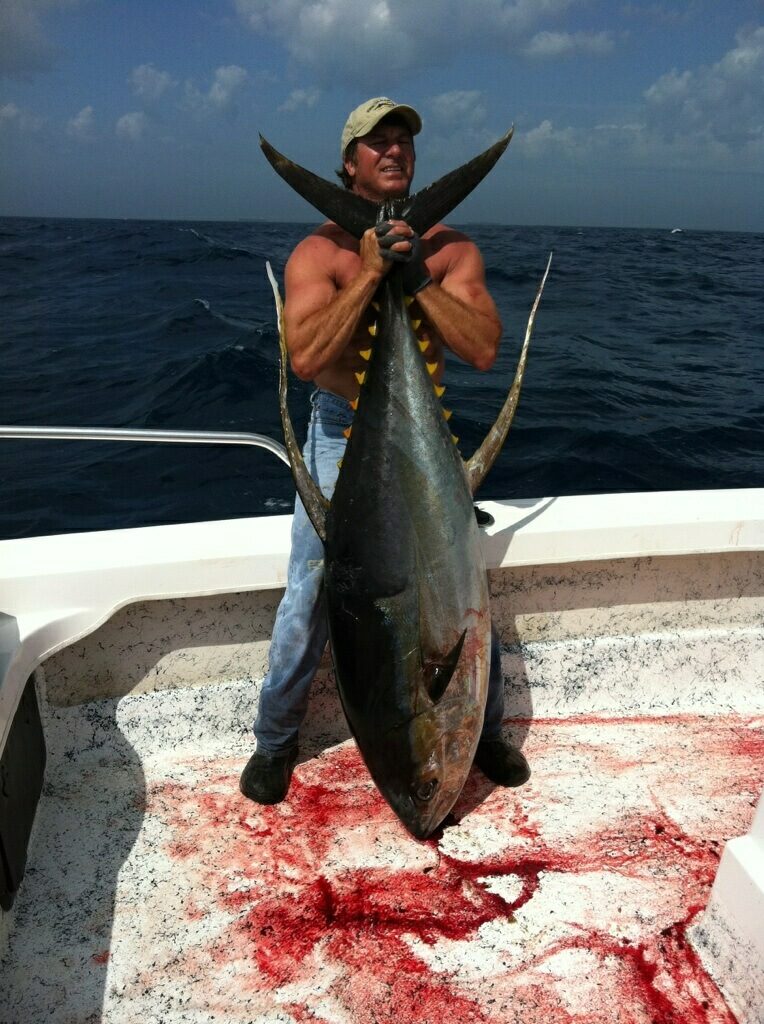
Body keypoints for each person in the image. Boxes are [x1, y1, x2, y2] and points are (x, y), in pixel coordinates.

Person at [240, 97, 530, 805]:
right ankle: (275, 739)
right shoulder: (317, 254)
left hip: (426, 434)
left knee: (463, 589)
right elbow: (306, 357)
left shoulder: (452, 249)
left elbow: (484, 349)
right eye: (377, 143)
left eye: (402, 140)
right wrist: (370, 272)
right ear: (350, 162)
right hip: (344, 434)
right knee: (313, 591)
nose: (393, 150)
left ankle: (481, 727)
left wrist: (415, 278)